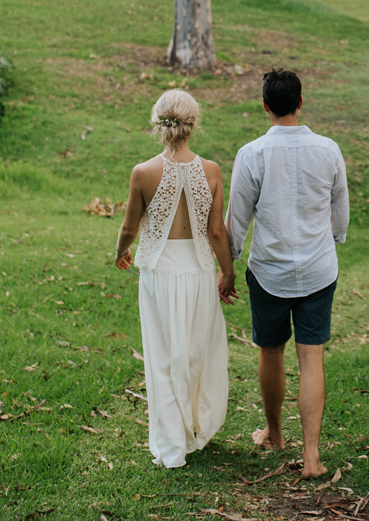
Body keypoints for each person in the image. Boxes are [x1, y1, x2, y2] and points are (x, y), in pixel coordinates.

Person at [227, 69, 349, 480]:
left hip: (269, 274)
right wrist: (332, 239)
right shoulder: (329, 150)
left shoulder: (252, 154)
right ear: (301, 102)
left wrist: (227, 265)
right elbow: (340, 210)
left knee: (271, 351)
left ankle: (275, 434)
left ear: (265, 106)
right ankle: (312, 457)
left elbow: (237, 221)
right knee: (311, 357)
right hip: (318, 269)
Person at [114, 90, 235, 469]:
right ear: (192, 124)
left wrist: (120, 251)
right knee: (196, 351)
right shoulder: (211, 170)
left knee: (163, 356)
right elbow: (216, 231)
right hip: (198, 272)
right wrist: (227, 272)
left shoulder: (143, 172)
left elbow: (130, 226)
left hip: (160, 273)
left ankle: (172, 441)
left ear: (158, 124)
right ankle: (195, 427)